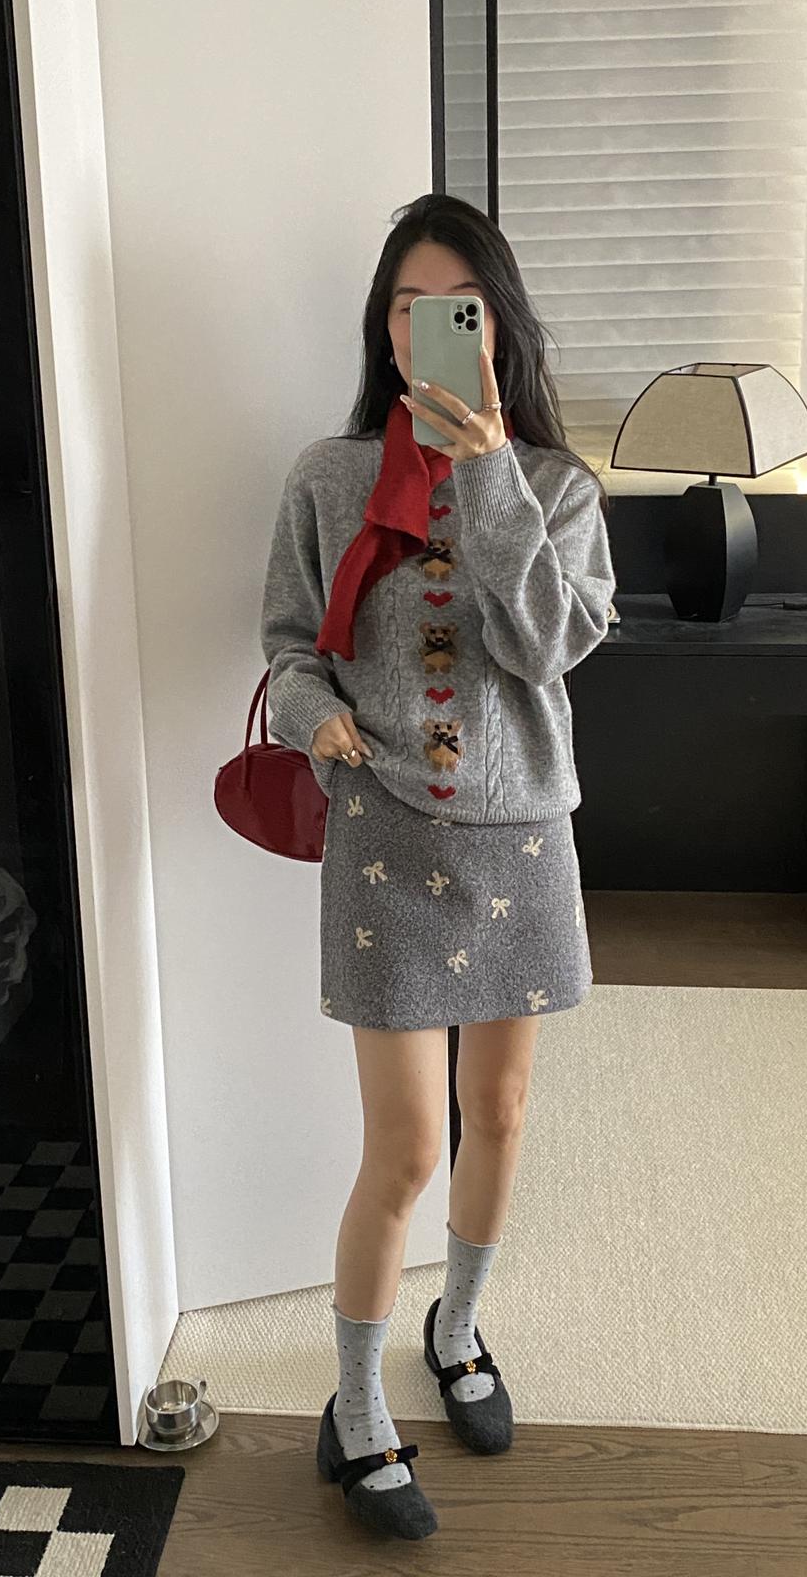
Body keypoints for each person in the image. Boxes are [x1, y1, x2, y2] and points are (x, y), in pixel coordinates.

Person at [259, 192, 616, 1538]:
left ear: (498, 327)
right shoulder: (328, 476)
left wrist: (489, 470)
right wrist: (313, 717)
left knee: (502, 1113)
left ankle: (456, 1329)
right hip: (386, 839)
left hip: (522, 837)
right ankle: (355, 1408)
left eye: (454, 308)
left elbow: (550, 646)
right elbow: (288, 642)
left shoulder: (559, 489)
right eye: (406, 307)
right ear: (384, 326)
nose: (426, 331)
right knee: (407, 1146)